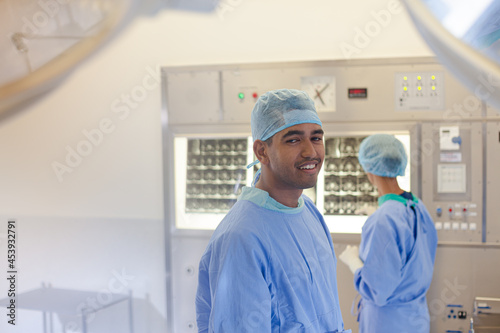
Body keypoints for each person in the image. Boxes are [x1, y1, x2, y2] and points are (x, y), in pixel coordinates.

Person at [196, 89, 351, 333]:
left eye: (316, 138)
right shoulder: (242, 238)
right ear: (262, 151)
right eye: (293, 139)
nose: (311, 151)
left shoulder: (309, 212)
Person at [339, 134, 438, 333]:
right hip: (415, 319)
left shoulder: (383, 221)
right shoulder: (417, 207)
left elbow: (377, 291)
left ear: (368, 170)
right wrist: (380, 214)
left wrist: (354, 263)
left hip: (387, 323)